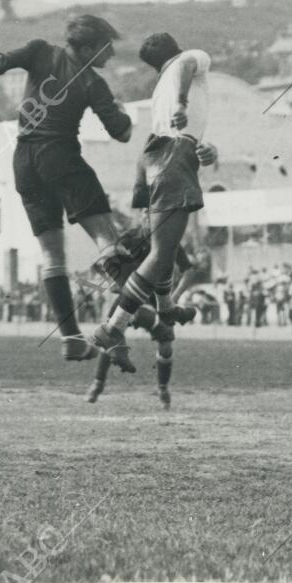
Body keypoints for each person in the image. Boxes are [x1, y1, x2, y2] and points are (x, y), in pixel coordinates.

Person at [0, 14, 133, 362]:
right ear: (87, 48)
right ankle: (134, 310)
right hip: (61, 156)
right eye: (106, 47)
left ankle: (71, 339)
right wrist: (121, 111)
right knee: (107, 238)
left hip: (24, 162)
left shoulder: (40, 52)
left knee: (51, 254)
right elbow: (122, 133)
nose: (111, 54)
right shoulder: (93, 83)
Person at [91, 33, 216, 367]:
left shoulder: (162, 84)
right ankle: (113, 327)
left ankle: (166, 307)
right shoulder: (189, 58)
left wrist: (201, 145)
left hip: (153, 157)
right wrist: (182, 105)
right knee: (161, 253)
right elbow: (188, 64)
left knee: (165, 246)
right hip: (174, 157)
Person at [85, 216, 201, 410]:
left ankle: (163, 389)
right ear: (142, 216)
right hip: (129, 298)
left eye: (154, 215)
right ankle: (98, 384)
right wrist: (115, 282)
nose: (151, 219)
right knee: (110, 335)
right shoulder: (129, 238)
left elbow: (189, 270)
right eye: (147, 214)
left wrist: (174, 296)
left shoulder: (168, 240)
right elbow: (100, 263)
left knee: (166, 342)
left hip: (156, 300)